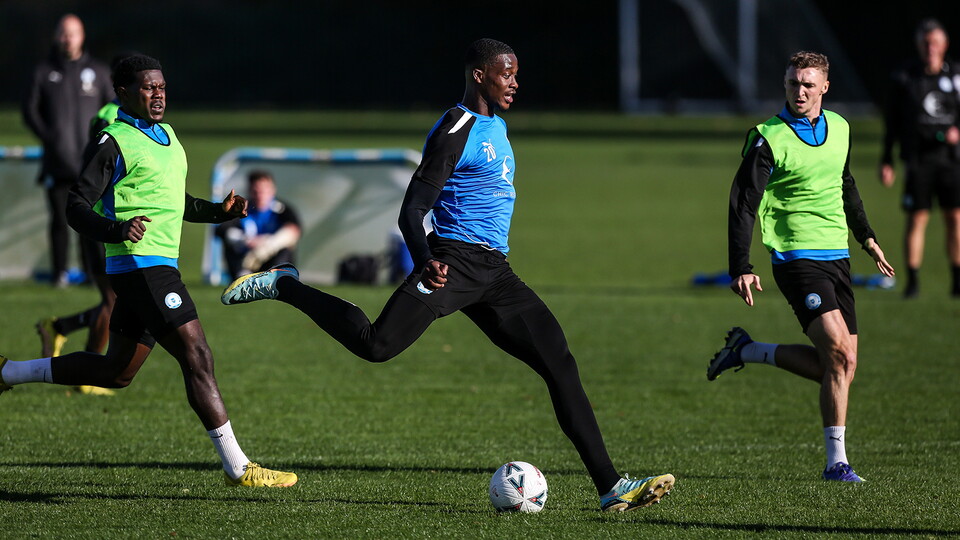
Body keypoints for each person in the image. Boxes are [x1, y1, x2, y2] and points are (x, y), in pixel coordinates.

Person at [220, 38, 674, 512]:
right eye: (506, 74)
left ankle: (611, 487)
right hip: (451, 263)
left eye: (516, 74)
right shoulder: (454, 130)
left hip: (496, 273)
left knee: (560, 363)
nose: (514, 83)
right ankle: (286, 284)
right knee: (376, 345)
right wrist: (425, 259)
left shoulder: (497, 125)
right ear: (479, 75)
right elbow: (411, 210)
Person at [0, 55, 296, 488]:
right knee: (198, 355)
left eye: (161, 87)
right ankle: (238, 467)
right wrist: (116, 228)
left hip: (155, 266)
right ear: (123, 92)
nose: (158, 95)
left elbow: (176, 202)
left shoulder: (168, 136)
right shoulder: (112, 141)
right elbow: (75, 206)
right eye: (147, 87)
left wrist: (220, 211)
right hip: (141, 265)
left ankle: (7, 372)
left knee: (116, 372)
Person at [709, 51, 895, 482]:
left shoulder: (842, 128)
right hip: (796, 257)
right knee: (839, 354)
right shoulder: (768, 137)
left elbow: (845, 184)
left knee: (843, 366)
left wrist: (867, 237)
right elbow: (743, 204)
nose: (800, 91)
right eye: (793, 83)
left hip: (837, 254)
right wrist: (741, 265)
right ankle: (836, 463)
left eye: (809, 84)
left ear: (824, 87)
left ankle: (748, 350)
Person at [36, 53, 133, 397]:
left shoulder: (135, 120)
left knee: (119, 300)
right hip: (103, 222)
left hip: (121, 223)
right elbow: (97, 170)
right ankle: (88, 374)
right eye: (145, 84)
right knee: (114, 300)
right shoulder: (109, 118)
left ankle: (60, 327)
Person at [22, 14, 113, 288]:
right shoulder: (43, 72)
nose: (67, 39)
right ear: (56, 36)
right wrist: (51, 138)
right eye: (63, 33)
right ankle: (59, 273)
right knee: (60, 221)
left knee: (89, 221)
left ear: (82, 36)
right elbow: (29, 111)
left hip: (90, 164)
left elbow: (113, 110)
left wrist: (102, 143)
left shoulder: (98, 72)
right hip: (58, 162)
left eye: (72, 33)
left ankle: (91, 274)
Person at [880, 18, 960, 298]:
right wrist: (887, 159)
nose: (931, 48)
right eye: (926, 43)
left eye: (935, 42)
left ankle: (957, 280)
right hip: (918, 159)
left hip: (951, 160)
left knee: (955, 218)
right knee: (917, 218)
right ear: (918, 45)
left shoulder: (956, 76)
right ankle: (912, 281)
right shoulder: (905, 78)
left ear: (944, 45)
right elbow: (892, 121)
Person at [216, 170, 301, 281]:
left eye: (265, 190)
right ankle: (242, 278)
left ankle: (280, 279)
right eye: (256, 191)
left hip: (272, 257)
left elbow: (294, 230)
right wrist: (246, 240)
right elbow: (222, 230)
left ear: (273, 190)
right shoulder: (241, 209)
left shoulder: (282, 209)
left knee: (286, 244)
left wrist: (267, 245)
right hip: (246, 259)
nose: (261, 195)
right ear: (249, 191)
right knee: (231, 242)